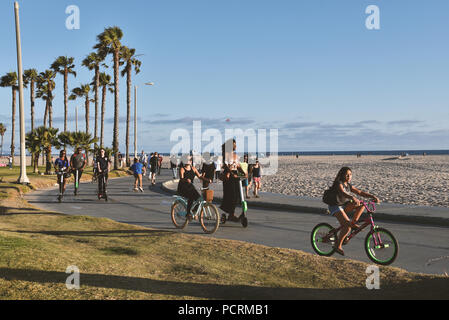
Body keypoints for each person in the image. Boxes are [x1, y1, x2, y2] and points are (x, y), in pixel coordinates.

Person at [327, 167, 380, 256]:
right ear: (342, 175)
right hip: (335, 206)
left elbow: (359, 192)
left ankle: (353, 222)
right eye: (347, 174)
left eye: (350, 174)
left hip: (344, 205)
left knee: (362, 205)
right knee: (347, 227)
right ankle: (338, 246)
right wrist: (352, 197)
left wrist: (372, 196)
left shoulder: (348, 185)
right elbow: (342, 193)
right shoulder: (338, 183)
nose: (349, 176)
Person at [220, 139, 246, 222]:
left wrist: (243, 172)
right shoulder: (226, 154)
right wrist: (231, 173)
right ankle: (231, 215)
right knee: (231, 196)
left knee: (238, 196)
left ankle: (232, 213)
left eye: (236, 145)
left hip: (236, 176)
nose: (235, 146)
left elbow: (238, 166)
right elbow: (226, 166)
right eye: (234, 145)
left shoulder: (235, 155)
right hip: (229, 176)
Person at [177, 156, 211, 220]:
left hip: (190, 187)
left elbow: (200, 176)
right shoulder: (182, 169)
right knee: (191, 197)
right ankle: (188, 213)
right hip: (183, 187)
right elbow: (181, 179)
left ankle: (194, 212)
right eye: (187, 159)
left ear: (191, 161)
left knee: (199, 199)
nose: (189, 161)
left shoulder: (193, 168)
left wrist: (207, 180)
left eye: (190, 159)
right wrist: (186, 180)